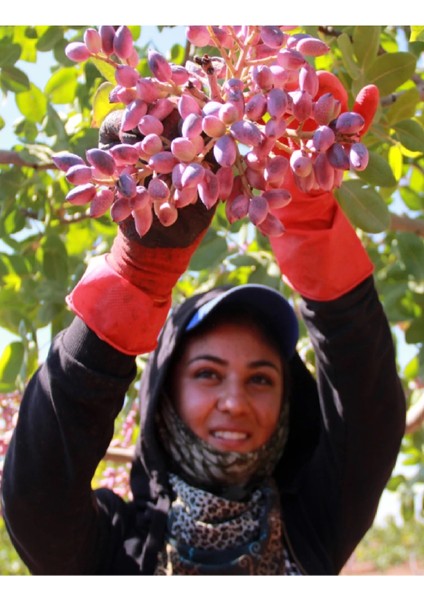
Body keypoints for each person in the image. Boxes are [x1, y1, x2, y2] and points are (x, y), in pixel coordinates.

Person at [1, 87, 406, 576]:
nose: (235, 401)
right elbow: (36, 497)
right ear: (166, 391)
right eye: (208, 374)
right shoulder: (116, 550)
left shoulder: (315, 520)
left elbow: (369, 411)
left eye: (261, 379)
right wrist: (135, 279)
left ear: (286, 402)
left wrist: (310, 221)